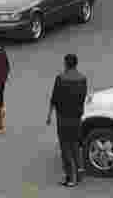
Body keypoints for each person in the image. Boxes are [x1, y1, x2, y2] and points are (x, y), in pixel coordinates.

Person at [47, 53, 89, 187]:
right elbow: (83, 97)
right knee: (75, 144)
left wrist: (49, 115)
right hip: (76, 117)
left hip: (63, 118)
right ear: (76, 64)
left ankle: (70, 178)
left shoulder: (60, 78)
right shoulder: (83, 79)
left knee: (65, 147)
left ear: (65, 64)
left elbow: (54, 98)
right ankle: (80, 170)